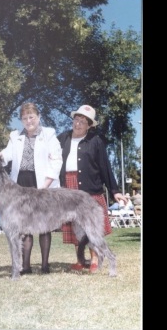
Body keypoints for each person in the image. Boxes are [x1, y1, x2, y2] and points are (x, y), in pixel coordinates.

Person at [57, 105, 128, 273]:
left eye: (83, 121)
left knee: (90, 226)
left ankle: (95, 259)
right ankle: (81, 260)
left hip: (89, 188)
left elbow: (105, 167)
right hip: (67, 185)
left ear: (89, 126)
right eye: (77, 119)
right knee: (74, 226)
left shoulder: (95, 141)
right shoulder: (62, 138)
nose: (78, 124)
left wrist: (115, 190)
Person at [0, 102, 63, 274]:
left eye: (31, 117)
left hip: (43, 182)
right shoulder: (15, 135)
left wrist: (45, 185)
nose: (28, 121)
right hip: (22, 183)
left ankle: (45, 265)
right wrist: (0, 155)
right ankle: (26, 266)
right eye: (24, 118)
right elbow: (7, 155)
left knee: (44, 224)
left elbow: (56, 160)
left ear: (38, 117)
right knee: (25, 226)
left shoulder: (49, 134)